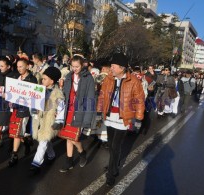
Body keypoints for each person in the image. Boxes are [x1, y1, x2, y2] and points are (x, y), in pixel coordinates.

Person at [96, 53, 145, 186]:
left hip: (123, 117)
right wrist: (99, 110)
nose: (110, 68)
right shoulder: (108, 79)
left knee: (115, 145)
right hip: (110, 115)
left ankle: (111, 174)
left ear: (122, 68)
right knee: (111, 144)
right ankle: (114, 165)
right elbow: (102, 95)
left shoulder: (133, 81)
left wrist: (139, 118)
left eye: (113, 66)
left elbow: (139, 99)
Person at [56, 54, 95, 172]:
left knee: (74, 138)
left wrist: (87, 119)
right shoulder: (68, 76)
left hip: (80, 112)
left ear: (82, 65)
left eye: (77, 66)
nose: (74, 69)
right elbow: (64, 96)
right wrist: (61, 88)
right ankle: (69, 161)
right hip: (68, 111)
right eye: (73, 66)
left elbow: (90, 99)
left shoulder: (88, 78)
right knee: (68, 137)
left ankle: (82, 152)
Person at [29, 66, 65, 174]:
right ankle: (51, 155)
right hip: (39, 119)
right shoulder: (39, 90)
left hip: (49, 121)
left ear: (52, 81)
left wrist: (58, 121)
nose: (42, 80)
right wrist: (33, 110)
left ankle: (36, 164)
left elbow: (61, 108)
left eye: (44, 79)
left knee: (43, 141)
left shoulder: (57, 94)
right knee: (43, 139)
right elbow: (33, 103)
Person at [7, 58, 38, 167]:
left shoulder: (32, 79)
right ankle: (27, 141)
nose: (19, 69)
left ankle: (14, 155)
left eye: (21, 66)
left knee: (18, 132)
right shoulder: (16, 78)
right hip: (15, 108)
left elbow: (34, 96)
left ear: (27, 66)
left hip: (25, 109)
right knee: (18, 132)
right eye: (18, 67)